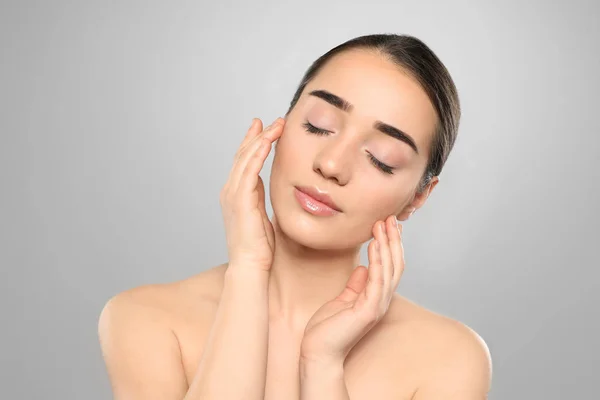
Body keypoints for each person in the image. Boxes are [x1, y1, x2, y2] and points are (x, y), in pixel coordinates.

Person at [98, 33, 492, 399]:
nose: (332, 164)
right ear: (281, 126)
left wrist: (321, 366)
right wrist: (249, 269)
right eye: (318, 126)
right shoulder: (145, 319)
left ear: (418, 196)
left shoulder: (449, 359)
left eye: (382, 158)